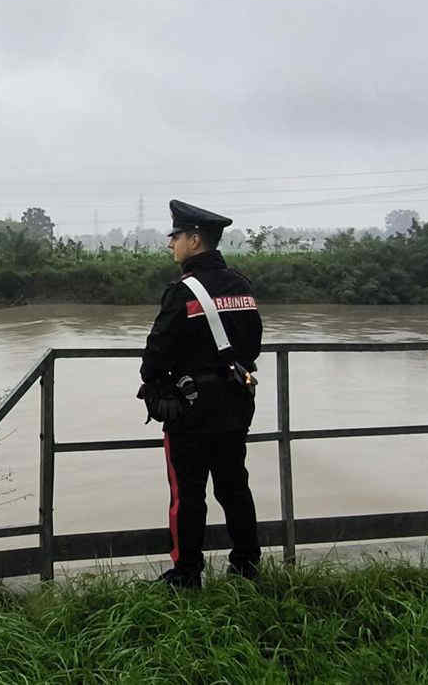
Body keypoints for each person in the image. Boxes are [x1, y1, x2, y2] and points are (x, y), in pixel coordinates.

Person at [138, 199, 262, 588]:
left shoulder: (181, 291)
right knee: (234, 485)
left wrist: (156, 385)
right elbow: (252, 344)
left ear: (194, 239)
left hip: (191, 409)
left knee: (187, 494)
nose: (170, 243)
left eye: (175, 236)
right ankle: (246, 566)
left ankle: (186, 573)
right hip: (236, 401)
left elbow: (155, 355)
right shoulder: (241, 283)